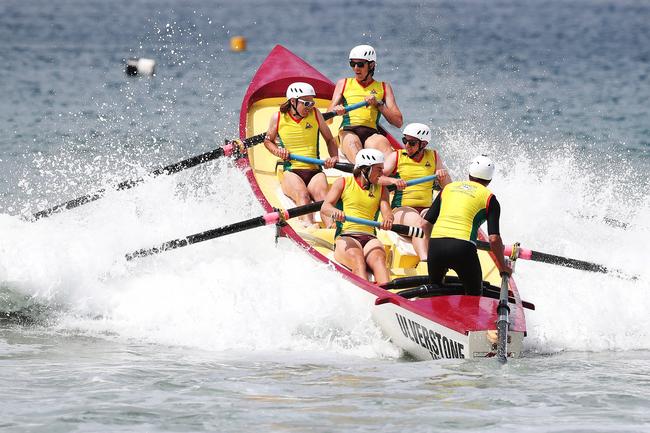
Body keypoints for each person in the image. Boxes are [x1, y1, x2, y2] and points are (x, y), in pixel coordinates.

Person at [421, 155, 512, 295]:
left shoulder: (448, 188)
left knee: (435, 292)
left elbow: (425, 224)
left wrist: (432, 251)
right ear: (490, 180)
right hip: (463, 249)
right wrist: (502, 267)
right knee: (474, 296)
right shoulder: (490, 198)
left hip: (436, 245)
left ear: (469, 174)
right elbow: (494, 239)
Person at [264, 82, 340, 228]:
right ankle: (309, 226)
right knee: (303, 195)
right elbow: (268, 141)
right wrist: (278, 151)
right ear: (293, 101)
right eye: (306, 103)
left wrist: (334, 157)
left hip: (315, 171)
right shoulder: (278, 118)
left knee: (323, 198)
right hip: (291, 171)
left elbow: (330, 139)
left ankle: (332, 228)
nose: (310, 106)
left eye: (312, 102)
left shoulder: (316, 114)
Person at [381, 123, 452, 261]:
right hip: (402, 209)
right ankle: (425, 261)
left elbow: (449, 188)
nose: (406, 145)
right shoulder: (397, 156)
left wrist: (443, 177)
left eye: (412, 143)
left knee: (442, 225)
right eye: (404, 140)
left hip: (426, 209)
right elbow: (377, 178)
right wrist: (393, 181)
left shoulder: (434, 156)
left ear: (423, 144)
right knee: (420, 224)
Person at [321, 149, 393, 285]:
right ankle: (367, 296)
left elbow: (387, 211)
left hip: (370, 238)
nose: (382, 173)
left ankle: (389, 298)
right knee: (358, 260)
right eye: (378, 169)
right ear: (365, 169)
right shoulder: (343, 182)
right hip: (346, 235)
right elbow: (325, 207)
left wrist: (388, 219)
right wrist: (335, 212)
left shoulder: (382, 189)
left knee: (379, 260)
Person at [327, 44, 403, 164]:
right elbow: (327, 120)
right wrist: (336, 110)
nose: (356, 68)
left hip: (371, 134)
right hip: (348, 132)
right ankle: (363, 172)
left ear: (371, 65)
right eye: (353, 64)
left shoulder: (384, 87)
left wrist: (379, 105)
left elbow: (398, 122)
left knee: (387, 151)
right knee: (353, 145)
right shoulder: (344, 83)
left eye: (361, 64)